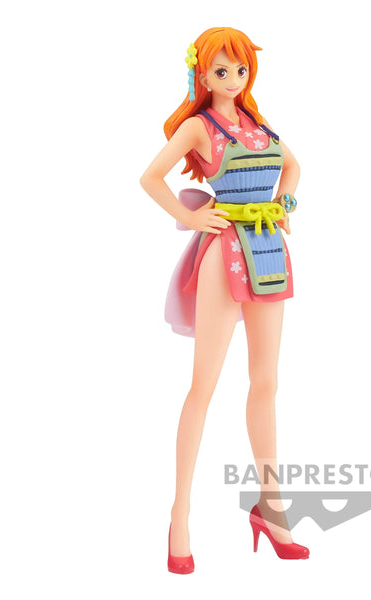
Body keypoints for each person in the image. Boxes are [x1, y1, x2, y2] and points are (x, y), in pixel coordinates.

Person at [140, 27, 308, 574]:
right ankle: (180, 515)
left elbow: (293, 165)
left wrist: (284, 203)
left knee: (267, 382)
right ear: (202, 73)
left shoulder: (258, 125)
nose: (233, 79)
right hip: (224, 251)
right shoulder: (199, 126)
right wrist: (190, 217)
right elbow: (150, 177)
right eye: (222, 70)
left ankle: (271, 506)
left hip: (269, 249)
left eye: (241, 70)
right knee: (203, 385)